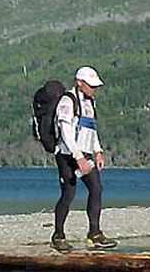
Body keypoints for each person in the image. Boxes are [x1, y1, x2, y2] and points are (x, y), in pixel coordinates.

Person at [50, 66, 118, 253]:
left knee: (96, 189)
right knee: (68, 194)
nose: (93, 89)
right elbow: (66, 132)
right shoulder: (67, 101)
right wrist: (77, 156)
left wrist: (98, 151)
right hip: (67, 155)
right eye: (90, 85)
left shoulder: (90, 103)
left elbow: (91, 130)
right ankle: (58, 236)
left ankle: (94, 234)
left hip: (86, 154)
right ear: (79, 83)